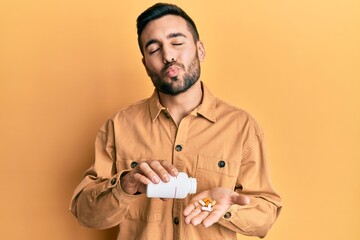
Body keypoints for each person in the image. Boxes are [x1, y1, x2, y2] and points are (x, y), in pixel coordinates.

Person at [70, 3, 282, 239]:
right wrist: (125, 186)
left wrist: (227, 209)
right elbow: (84, 213)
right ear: (145, 64)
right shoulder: (118, 126)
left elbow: (265, 216)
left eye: (177, 43)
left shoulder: (242, 127)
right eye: (153, 49)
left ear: (200, 50)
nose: (168, 56)